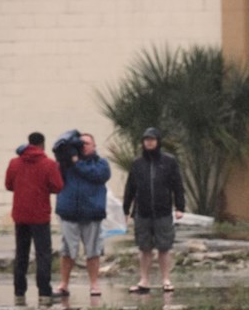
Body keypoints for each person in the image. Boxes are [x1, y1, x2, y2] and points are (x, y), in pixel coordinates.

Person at [5, 132, 64, 306]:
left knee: (21, 254)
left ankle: (19, 292)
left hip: (20, 215)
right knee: (43, 254)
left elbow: (8, 185)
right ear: (42, 145)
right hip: (40, 215)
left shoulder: (14, 163)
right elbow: (58, 186)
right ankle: (44, 292)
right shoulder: (48, 164)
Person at [123, 127, 185, 293]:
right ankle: (144, 280)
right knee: (144, 248)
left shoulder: (169, 161)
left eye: (152, 139)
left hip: (163, 211)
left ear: (158, 141)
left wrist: (180, 207)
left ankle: (166, 279)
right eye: (146, 139)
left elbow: (177, 186)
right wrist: (126, 209)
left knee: (164, 247)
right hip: (142, 212)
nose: (149, 142)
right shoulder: (137, 164)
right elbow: (130, 187)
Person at [53, 132, 111, 298]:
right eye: (80, 143)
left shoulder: (101, 164)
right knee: (67, 251)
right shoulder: (66, 163)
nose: (83, 145)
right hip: (69, 212)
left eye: (87, 143)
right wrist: (65, 154)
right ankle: (64, 284)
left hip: (92, 213)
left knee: (93, 251)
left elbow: (98, 176)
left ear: (94, 146)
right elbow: (56, 175)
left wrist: (77, 162)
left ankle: (94, 284)